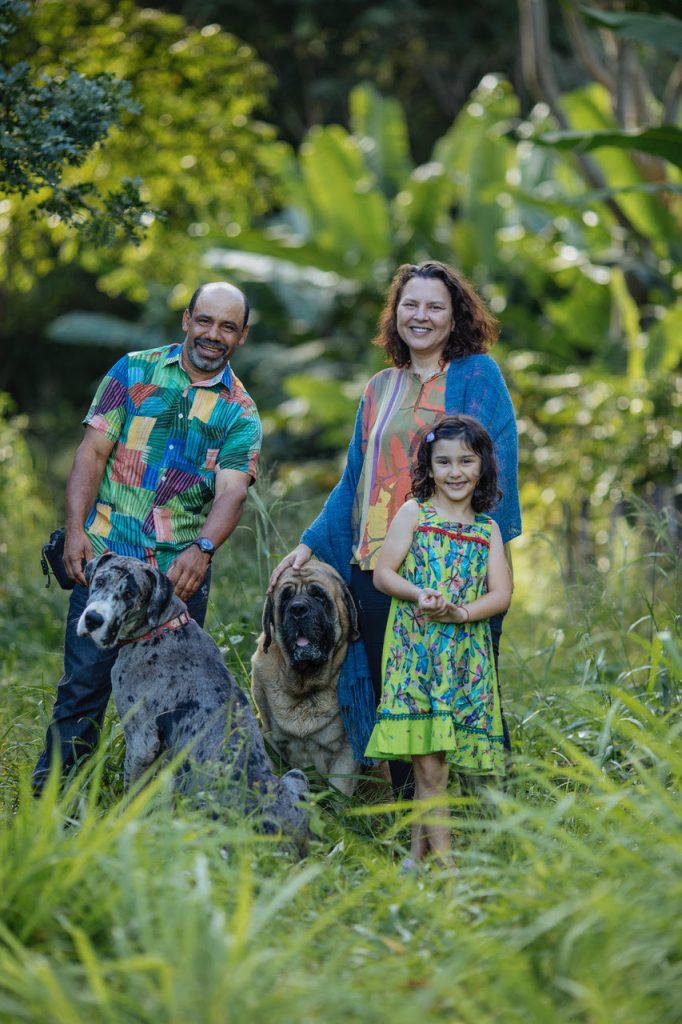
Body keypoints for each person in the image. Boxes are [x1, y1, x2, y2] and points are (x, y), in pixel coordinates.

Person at [269, 260, 521, 796]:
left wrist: (481, 560)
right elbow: (354, 480)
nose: (421, 316)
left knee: (466, 690)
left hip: (454, 568)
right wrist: (308, 544)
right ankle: (412, 814)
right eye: (411, 304)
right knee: (400, 696)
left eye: (434, 306)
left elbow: (495, 468)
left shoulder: (478, 376)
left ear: (455, 316)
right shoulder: (379, 387)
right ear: (396, 313)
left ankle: (487, 815)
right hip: (379, 567)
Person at [33, 281, 262, 793]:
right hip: (106, 564)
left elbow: (232, 492)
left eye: (228, 326)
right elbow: (92, 452)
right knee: (82, 691)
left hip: (174, 582)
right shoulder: (133, 371)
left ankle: (164, 816)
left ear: (241, 336)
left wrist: (203, 549)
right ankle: (55, 809)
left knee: (174, 705)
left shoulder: (241, 411)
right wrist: (76, 530)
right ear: (187, 320)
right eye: (205, 320)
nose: (213, 334)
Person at [366, 415, 512, 863]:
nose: (455, 472)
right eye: (444, 462)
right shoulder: (415, 513)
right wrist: (420, 594)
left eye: (466, 461)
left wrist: (461, 612)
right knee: (432, 770)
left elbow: (502, 594)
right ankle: (447, 872)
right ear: (429, 467)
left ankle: (416, 861)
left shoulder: (487, 530)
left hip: (463, 660)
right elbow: (383, 573)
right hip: (416, 656)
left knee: (436, 767)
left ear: (482, 466)